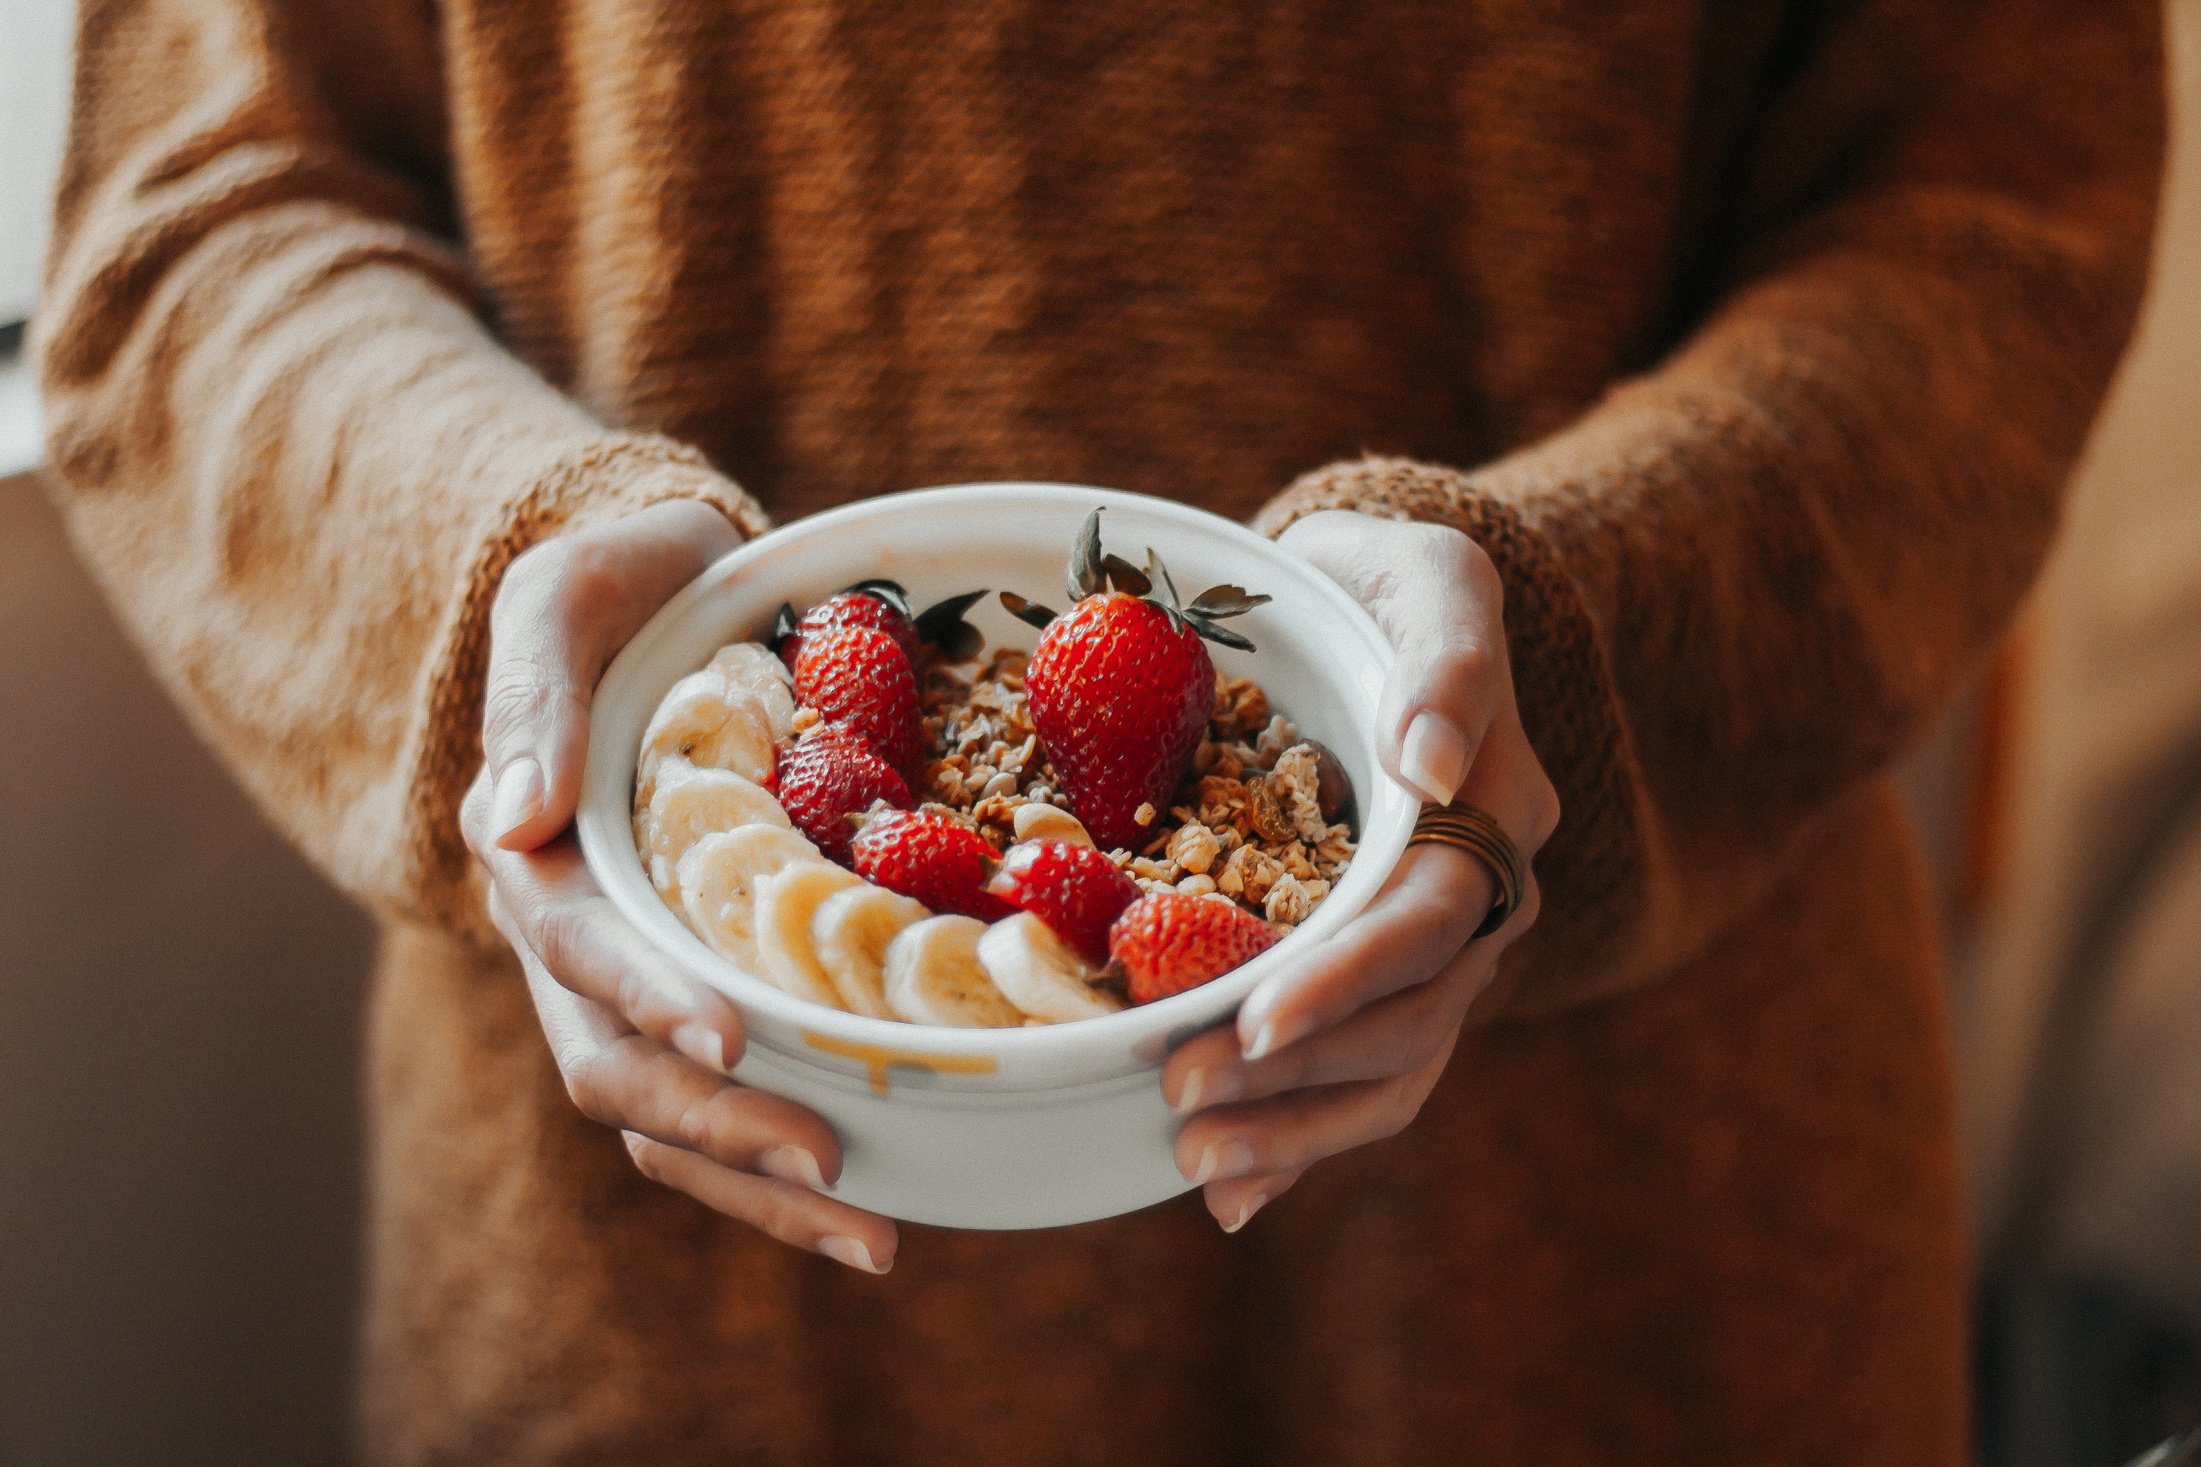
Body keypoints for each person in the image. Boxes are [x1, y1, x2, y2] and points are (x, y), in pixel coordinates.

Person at [35, 0, 2161, 1460]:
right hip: (679, 1263)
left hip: (1608, 1268)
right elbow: (194, 210)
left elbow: (1996, 199)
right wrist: (515, 580)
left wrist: (1577, 617)